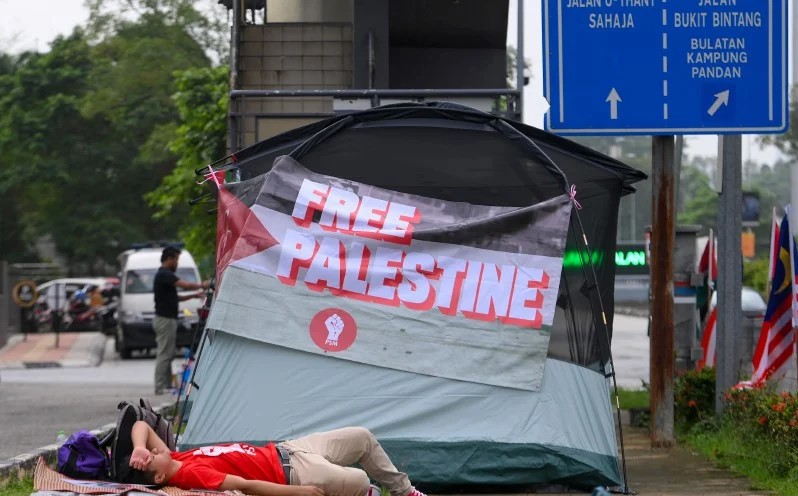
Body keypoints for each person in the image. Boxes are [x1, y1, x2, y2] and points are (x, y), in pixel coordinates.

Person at [128, 421, 427, 496]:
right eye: (152, 458)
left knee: (361, 436)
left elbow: (140, 426)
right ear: (159, 477)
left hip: (290, 447)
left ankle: (405, 491)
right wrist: (298, 492)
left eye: (152, 450)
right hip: (292, 473)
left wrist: (139, 448)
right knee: (361, 481)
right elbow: (247, 485)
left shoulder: (176, 456)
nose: (155, 451)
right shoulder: (188, 475)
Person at [153, 246, 209, 395]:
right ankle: (160, 386)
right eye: (176, 259)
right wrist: (201, 285)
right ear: (169, 259)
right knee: (165, 353)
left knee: (168, 353)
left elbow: (175, 297)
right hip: (164, 319)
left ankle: (165, 385)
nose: (177, 263)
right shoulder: (164, 274)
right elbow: (185, 285)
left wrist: (194, 296)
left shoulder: (165, 277)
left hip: (167, 319)